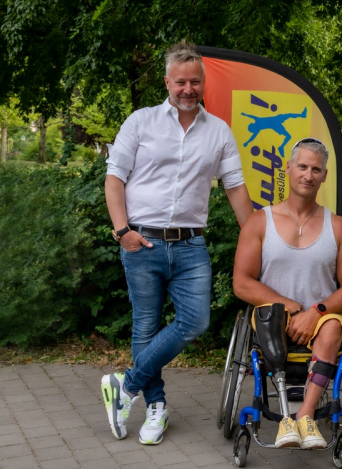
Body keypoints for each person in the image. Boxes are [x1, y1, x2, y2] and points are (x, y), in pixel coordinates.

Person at [100, 41, 253, 445]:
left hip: (191, 246)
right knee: (145, 327)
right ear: (167, 82)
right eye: (180, 82)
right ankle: (156, 407)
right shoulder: (141, 122)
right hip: (142, 242)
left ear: (203, 83)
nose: (188, 89)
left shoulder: (218, 131)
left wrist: (258, 238)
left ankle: (125, 385)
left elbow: (236, 189)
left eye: (195, 82)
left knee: (196, 321)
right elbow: (114, 178)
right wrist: (122, 231)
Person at [233, 138, 342, 449]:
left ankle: (304, 415)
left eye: (316, 169)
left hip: (322, 317)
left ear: (325, 176)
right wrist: (289, 306)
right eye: (302, 166)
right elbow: (242, 282)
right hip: (273, 314)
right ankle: (286, 417)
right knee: (270, 319)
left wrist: (316, 311)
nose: (308, 174)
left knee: (332, 326)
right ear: (288, 168)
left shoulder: (338, 227)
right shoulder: (259, 221)